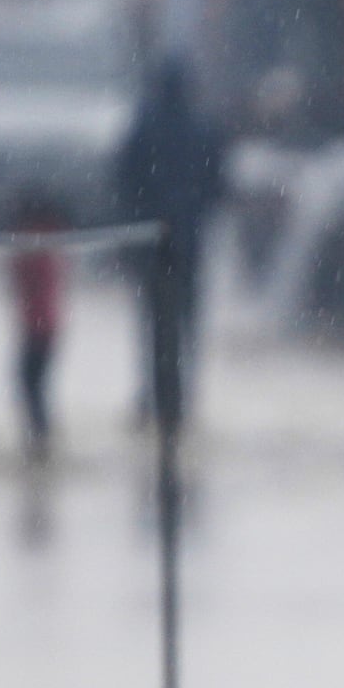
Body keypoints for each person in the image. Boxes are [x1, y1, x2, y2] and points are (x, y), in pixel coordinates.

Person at [113, 56, 226, 434]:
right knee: (186, 323)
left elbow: (124, 182)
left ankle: (154, 398)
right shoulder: (203, 129)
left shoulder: (145, 128)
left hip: (151, 244)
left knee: (153, 326)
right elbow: (218, 188)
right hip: (189, 243)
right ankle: (180, 402)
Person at [5, 189, 67, 454]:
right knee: (32, 384)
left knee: (29, 383)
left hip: (39, 326)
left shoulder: (36, 244)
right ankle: (40, 437)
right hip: (43, 324)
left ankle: (40, 438)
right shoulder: (48, 242)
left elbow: (21, 276)